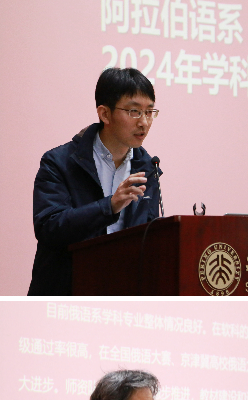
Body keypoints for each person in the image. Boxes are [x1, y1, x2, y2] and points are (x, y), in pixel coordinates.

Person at [30, 67, 162, 296]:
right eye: (134, 111)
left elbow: (148, 238)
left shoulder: (148, 169)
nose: (144, 122)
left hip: (122, 298)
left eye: (150, 111)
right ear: (105, 114)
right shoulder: (59, 162)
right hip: (65, 296)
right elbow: (49, 228)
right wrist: (109, 206)